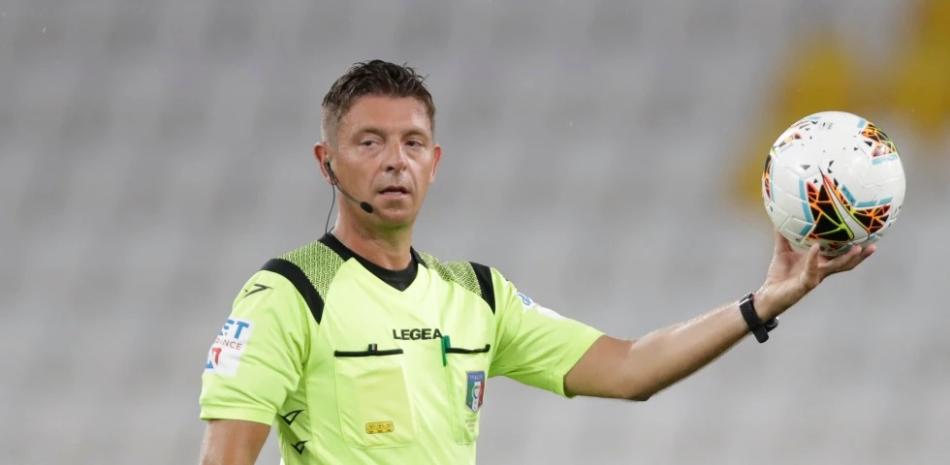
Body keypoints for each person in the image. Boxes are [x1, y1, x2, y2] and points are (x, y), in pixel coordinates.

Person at [197, 60, 874, 465]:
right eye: (369, 141)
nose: (394, 159)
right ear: (327, 162)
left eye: (412, 142)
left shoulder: (476, 295)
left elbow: (631, 367)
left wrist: (763, 301)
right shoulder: (289, 294)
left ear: (435, 163)